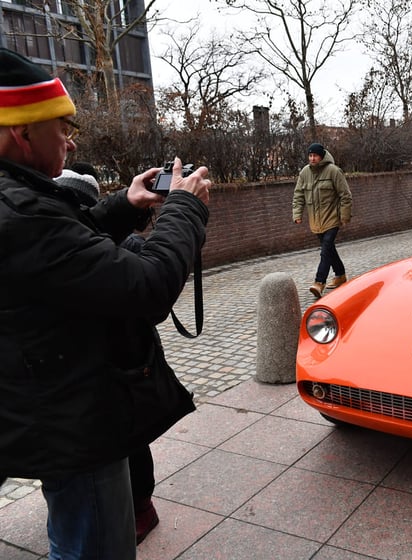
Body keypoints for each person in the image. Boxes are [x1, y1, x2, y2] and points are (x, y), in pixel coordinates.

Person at [0, 47, 211, 558]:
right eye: (62, 127)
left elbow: (61, 250)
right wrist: (184, 209)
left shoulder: (18, 199)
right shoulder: (22, 211)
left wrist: (123, 205)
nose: (71, 141)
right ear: (20, 132)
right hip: (69, 413)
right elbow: (147, 286)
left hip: (35, 397)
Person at [55, 164, 160, 544]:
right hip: (87, 375)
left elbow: (154, 297)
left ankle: (142, 506)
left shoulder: (124, 246)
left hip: (126, 366)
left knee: (132, 444)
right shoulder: (55, 241)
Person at [292, 142, 353, 299]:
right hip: (316, 221)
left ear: (322, 156)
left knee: (325, 250)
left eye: (315, 156)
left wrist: (344, 216)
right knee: (330, 249)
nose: (312, 158)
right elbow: (298, 195)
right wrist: (297, 214)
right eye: (310, 155)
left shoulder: (333, 171)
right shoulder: (305, 173)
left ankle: (319, 282)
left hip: (332, 218)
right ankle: (340, 275)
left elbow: (345, 195)